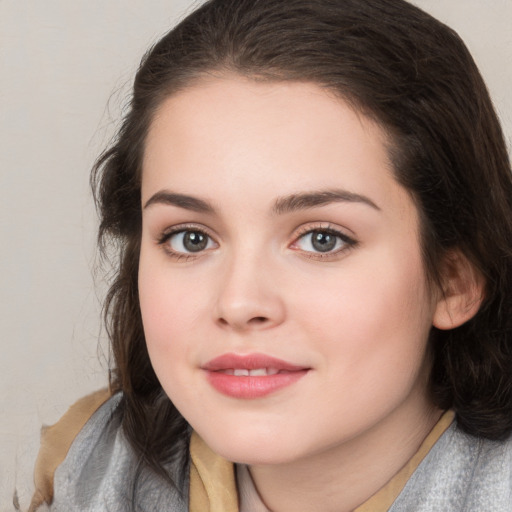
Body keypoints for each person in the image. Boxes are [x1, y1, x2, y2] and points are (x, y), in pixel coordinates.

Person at [30, 0, 512, 510]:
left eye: (322, 238)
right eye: (191, 238)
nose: (239, 303)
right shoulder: (80, 465)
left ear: (454, 280)